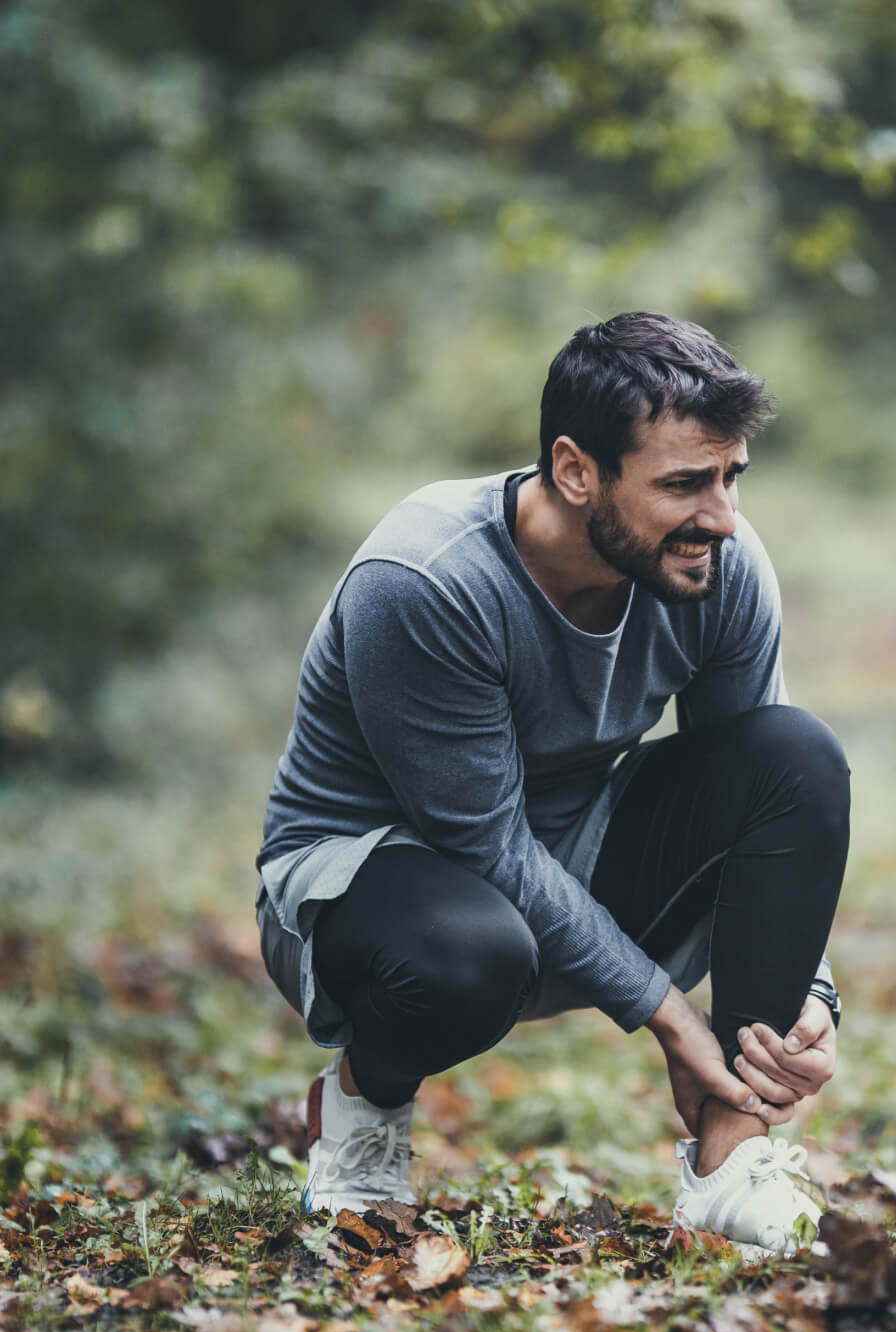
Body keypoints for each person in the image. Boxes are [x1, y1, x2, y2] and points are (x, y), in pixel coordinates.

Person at [254, 312, 850, 1257]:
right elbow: (484, 844)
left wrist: (811, 992)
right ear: (577, 472)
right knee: (472, 952)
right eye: (686, 483)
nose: (723, 517)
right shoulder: (425, 578)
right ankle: (364, 1108)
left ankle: (732, 1160)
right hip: (375, 883)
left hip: (573, 853)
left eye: (732, 476)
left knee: (796, 751)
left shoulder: (715, 562)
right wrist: (671, 1020)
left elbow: (767, 790)